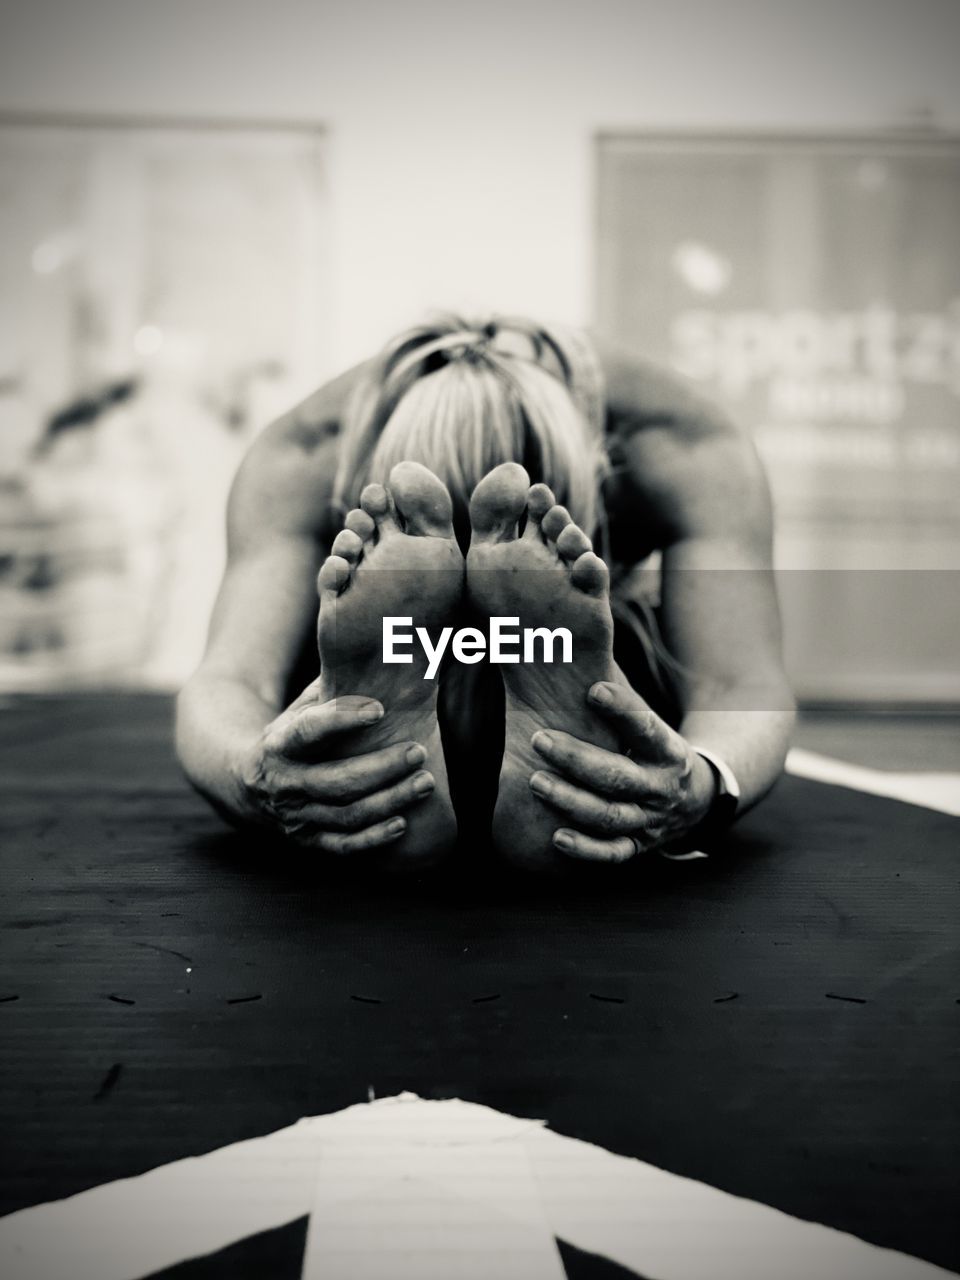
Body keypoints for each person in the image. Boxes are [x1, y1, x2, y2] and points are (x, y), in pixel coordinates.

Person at [175, 316, 795, 871]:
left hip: (592, 634)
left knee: (617, 663)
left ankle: (510, 702)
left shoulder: (682, 448)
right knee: (326, 680)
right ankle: (393, 710)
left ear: (596, 476)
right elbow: (235, 679)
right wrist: (254, 773)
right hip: (397, 648)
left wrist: (704, 781)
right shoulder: (302, 457)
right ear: (361, 468)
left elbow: (735, 681)